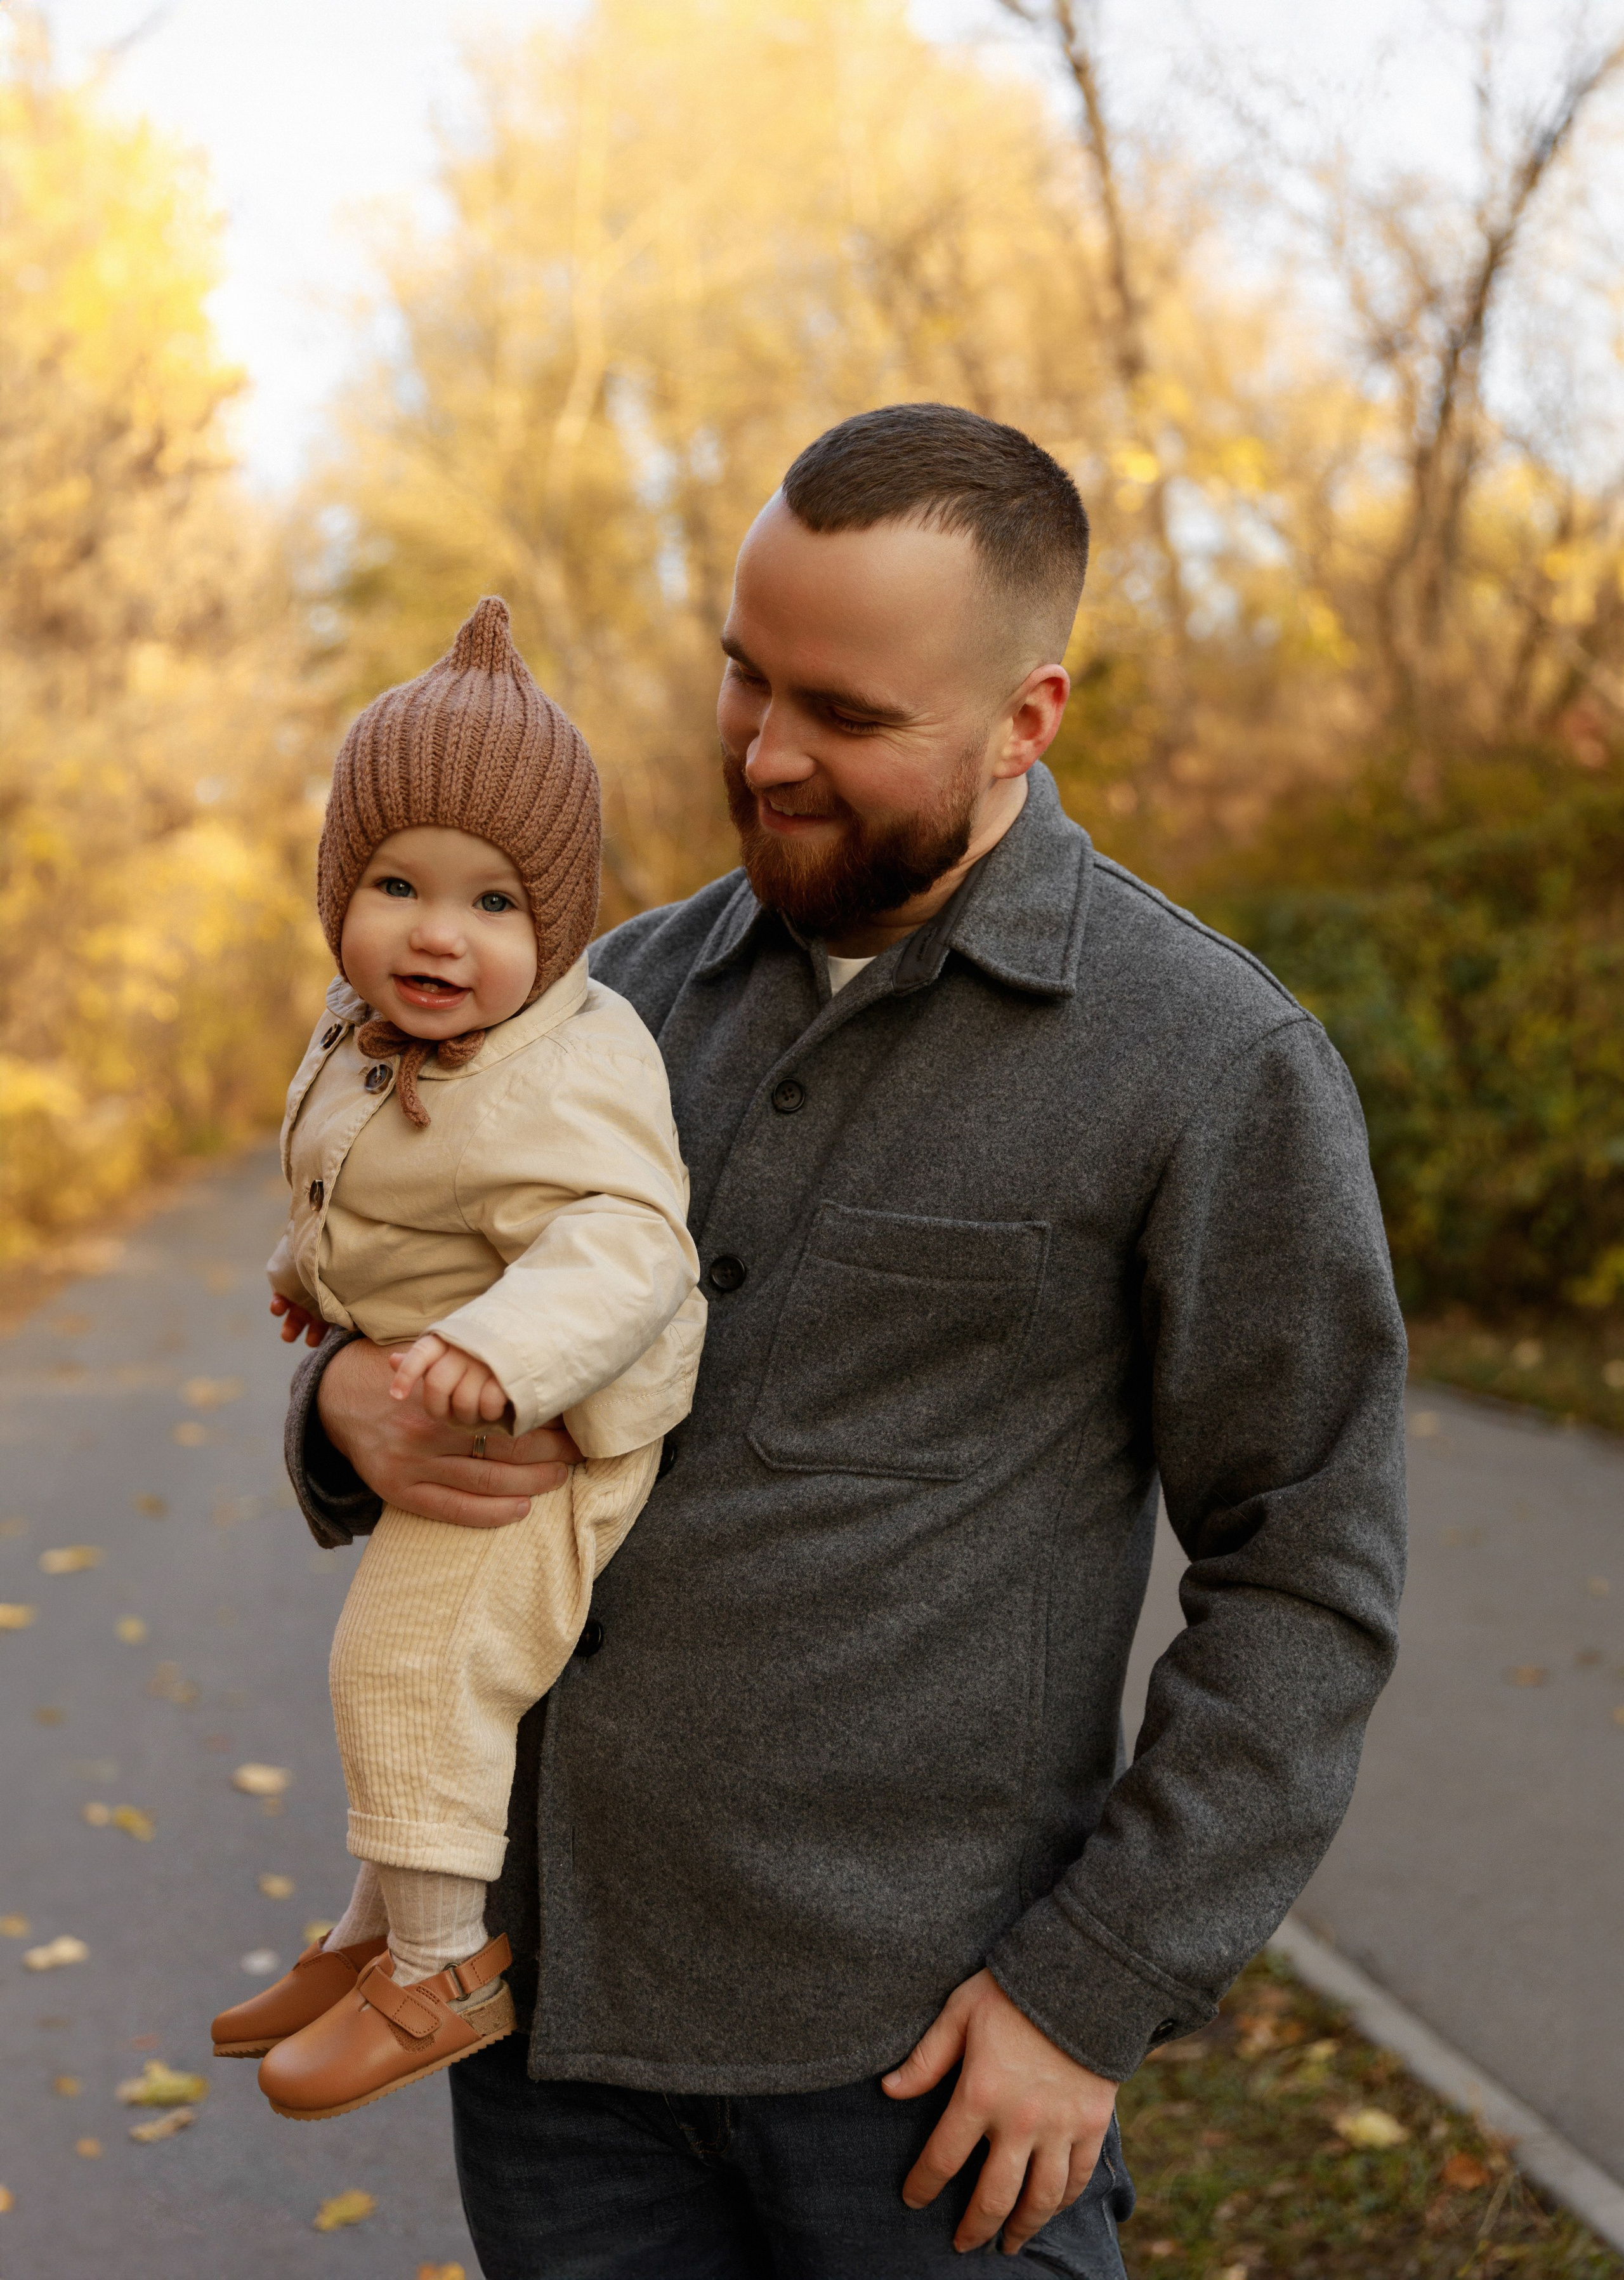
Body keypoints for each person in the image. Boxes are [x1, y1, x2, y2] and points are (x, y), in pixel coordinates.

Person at [284, 404, 1408, 2272]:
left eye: (852, 715)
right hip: (555, 2044)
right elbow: (374, 1285)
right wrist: (338, 1409)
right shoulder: (595, 996)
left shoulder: (1209, 1059)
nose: (769, 752)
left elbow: (1309, 1566)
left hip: (925, 2081)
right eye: (746, 677)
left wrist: (1094, 1986)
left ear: (1026, 719)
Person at [211, 597, 705, 2121]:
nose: (438, 932)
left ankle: (440, 1974)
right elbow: (343, 1174)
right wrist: (315, 1285)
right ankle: (371, 1940)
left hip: (555, 1426)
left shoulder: (570, 1059)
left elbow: (631, 1241)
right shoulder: (371, 1031)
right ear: (336, 892)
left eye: (494, 903)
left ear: (552, 925)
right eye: (395, 884)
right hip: (449, 1381)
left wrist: (503, 1346)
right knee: (400, 1682)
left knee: (415, 1668)